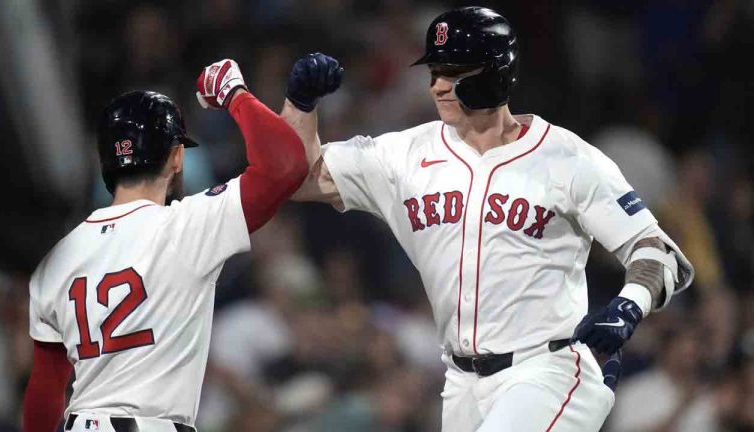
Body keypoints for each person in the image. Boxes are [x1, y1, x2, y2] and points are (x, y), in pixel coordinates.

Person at [280, 6, 695, 432]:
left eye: (453, 72)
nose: (437, 86)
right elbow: (298, 180)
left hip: (545, 370)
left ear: (497, 73)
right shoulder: (402, 155)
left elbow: (658, 249)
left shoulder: (566, 157)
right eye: (434, 72)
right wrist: (300, 105)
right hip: (460, 383)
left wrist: (629, 306)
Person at [23, 59, 307, 431]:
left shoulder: (56, 259)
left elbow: (45, 390)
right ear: (176, 157)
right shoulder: (186, 225)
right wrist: (233, 93)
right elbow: (286, 165)